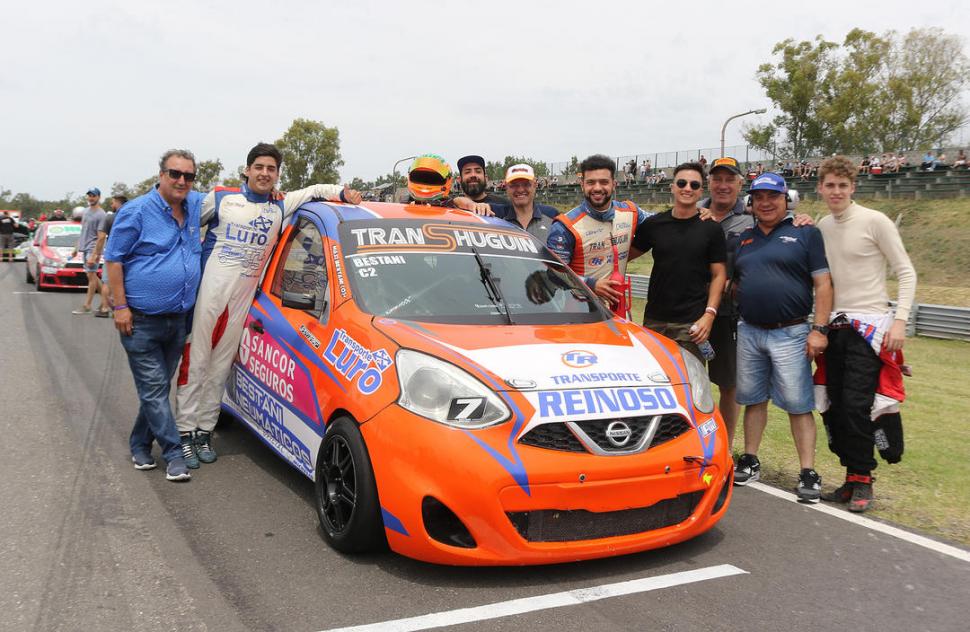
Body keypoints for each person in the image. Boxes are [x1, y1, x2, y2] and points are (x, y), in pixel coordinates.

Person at [175, 142, 362, 469]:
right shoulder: (221, 197)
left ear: (277, 174)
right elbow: (182, 217)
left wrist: (344, 193)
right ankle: (184, 433)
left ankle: (204, 430)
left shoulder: (281, 204)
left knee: (220, 366)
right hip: (209, 294)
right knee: (196, 361)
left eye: (271, 169)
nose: (264, 173)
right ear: (247, 170)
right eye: (258, 167)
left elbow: (315, 190)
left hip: (242, 300)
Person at [815, 155, 917, 512]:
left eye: (843, 185)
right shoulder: (822, 225)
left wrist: (901, 320)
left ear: (853, 187)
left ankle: (864, 480)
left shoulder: (876, 221)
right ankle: (851, 476)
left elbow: (906, 271)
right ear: (821, 188)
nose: (837, 191)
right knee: (836, 405)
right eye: (830, 185)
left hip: (871, 327)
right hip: (835, 326)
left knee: (859, 404)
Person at [103, 149, 204, 482]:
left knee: (157, 388)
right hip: (140, 321)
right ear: (160, 174)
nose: (181, 181)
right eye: (175, 174)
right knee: (154, 389)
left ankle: (139, 444)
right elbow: (114, 260)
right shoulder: (136, 211)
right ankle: (174, 454)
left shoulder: (194, 206)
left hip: (179, 319)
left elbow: (238, 197)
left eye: (188, 176)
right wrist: (120, 306)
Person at [732, 172, 833, 503]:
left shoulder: (806, 232)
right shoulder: (743, 238)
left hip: (791, 332)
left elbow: (823, 284)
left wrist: (819, 329)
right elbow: (734, 282)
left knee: (798, 403)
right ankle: (750, 458)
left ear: (785, 200)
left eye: (772, 197)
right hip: (749, 330)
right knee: (752, 399)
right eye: (759, 197)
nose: (765, 203)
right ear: (751, 203)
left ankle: (807, 471)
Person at [630, 162, 726, 361]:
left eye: (694, 185)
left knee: (690, 385)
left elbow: (719, 275)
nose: (687, 188)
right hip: (654, 321)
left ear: (701, 192)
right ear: (672, 187)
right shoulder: (654, 224)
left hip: (691, 325)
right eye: (682, 183)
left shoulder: (711, 228)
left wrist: (709, 314)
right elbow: (624, 256)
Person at [697, 157, 754, 447]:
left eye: (729, 179)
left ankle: (726, 448)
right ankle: (692, 448)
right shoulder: (693, 211)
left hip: (730, 314)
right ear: (709, 182)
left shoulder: (752, 217)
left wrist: (802, 218)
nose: (723, 185)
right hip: (691, 311)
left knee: (728, 385)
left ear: (740, 183)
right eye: (717, 179)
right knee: (689, 383)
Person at [546, 154, 652, 308]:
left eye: (604, 182)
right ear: (582, 185)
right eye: (590, 182)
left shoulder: (631, 211)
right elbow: (553, 273)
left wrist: (698, 211)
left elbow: (663, 223)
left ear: (614, 184)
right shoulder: (565, 226)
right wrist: (590, 284)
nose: (597, 188)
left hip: (620, 310)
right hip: (581, 313)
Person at [486, 164, 555, 240]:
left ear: (535, 185)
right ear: (506, 187)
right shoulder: (495, 217)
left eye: (526, 184)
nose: (520, 190)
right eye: (514, 185)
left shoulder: (552, 215)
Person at [71, 188, 107, 316]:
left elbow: (101, 236)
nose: (91, 198)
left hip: (93, 248)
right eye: (89, 196)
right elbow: (83, 231)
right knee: (92, 276)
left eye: (93, 196)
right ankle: (107, 302)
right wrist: (76, 248)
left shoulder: (101, 214)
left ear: (98, 197)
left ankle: (87, 306)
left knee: (91, 277)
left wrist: (95, 254)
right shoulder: (86, 212)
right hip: (85, 247)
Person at [90, 195, 126, 317]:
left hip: (112, 252)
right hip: (128, 253)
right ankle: (120, 308)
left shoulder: (110, 218)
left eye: (113, 203)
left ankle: (104, 308)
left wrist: (96, 254)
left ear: (117, 203)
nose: (112, 205)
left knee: (106, 281)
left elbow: (101, 238)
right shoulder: (130, 216)